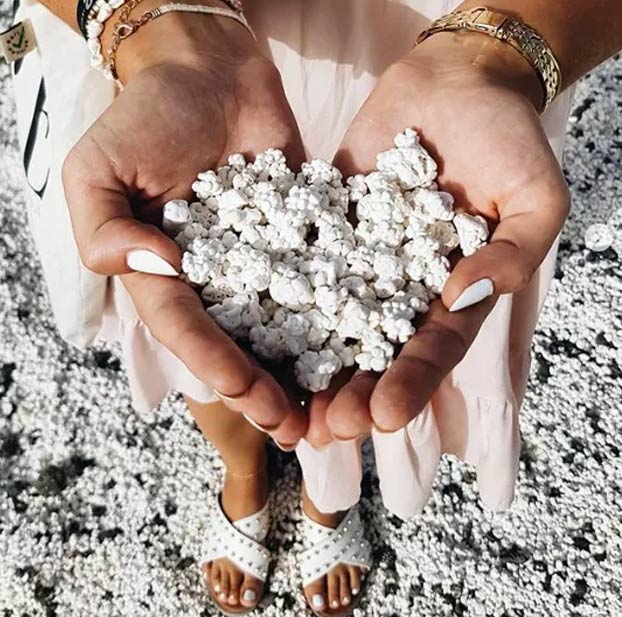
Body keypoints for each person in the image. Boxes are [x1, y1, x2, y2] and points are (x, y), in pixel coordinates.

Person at [16, 0, 622, 614]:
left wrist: (502, 54)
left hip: (456, 66)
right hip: (196, 69)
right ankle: (244, 470)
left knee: (360, 376)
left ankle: (329, 501)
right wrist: (162, 24)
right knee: (209, 340)